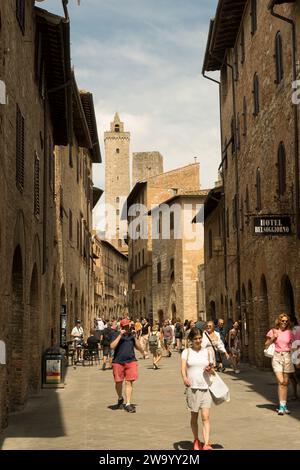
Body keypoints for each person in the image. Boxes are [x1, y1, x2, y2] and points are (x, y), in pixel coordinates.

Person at [181, 328, 214, 451]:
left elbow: (212, 369)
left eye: (200, 338)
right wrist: (184, 378)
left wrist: (210, 369)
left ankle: (206, 443)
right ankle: (196, 439)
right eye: (195, 338)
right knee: (194, 416)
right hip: (193, 388)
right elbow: (183, 368)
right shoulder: (187, 352)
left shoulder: (207, 352)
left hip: (205, 387)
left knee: (205, 416)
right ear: (191, 340)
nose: (198, 340)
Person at [110, 318, 145, 413]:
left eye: (128, 326)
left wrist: (134, 337)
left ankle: (128, 403)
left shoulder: (131, 336)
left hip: (131, 361)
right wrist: (120, 335)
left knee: (129, 382)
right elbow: (112, 346)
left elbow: (139, 348)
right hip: (118, 362)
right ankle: (120, 398)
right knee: (118, 382)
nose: (127, 328)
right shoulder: (116, 334)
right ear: (121, 327)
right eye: (125, 327)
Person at [265, 313, 295, 415]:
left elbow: (294, 345)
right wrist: (273, 338)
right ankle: (282, 406)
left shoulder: (290, 333)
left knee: (285, 383)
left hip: (287, 357)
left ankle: (283, 405)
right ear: (279, 321)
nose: (284, 323)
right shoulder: (273, 331)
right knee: (281, 381)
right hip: (277, 357)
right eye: (283, 321)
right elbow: (266, 345)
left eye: (286, 321)